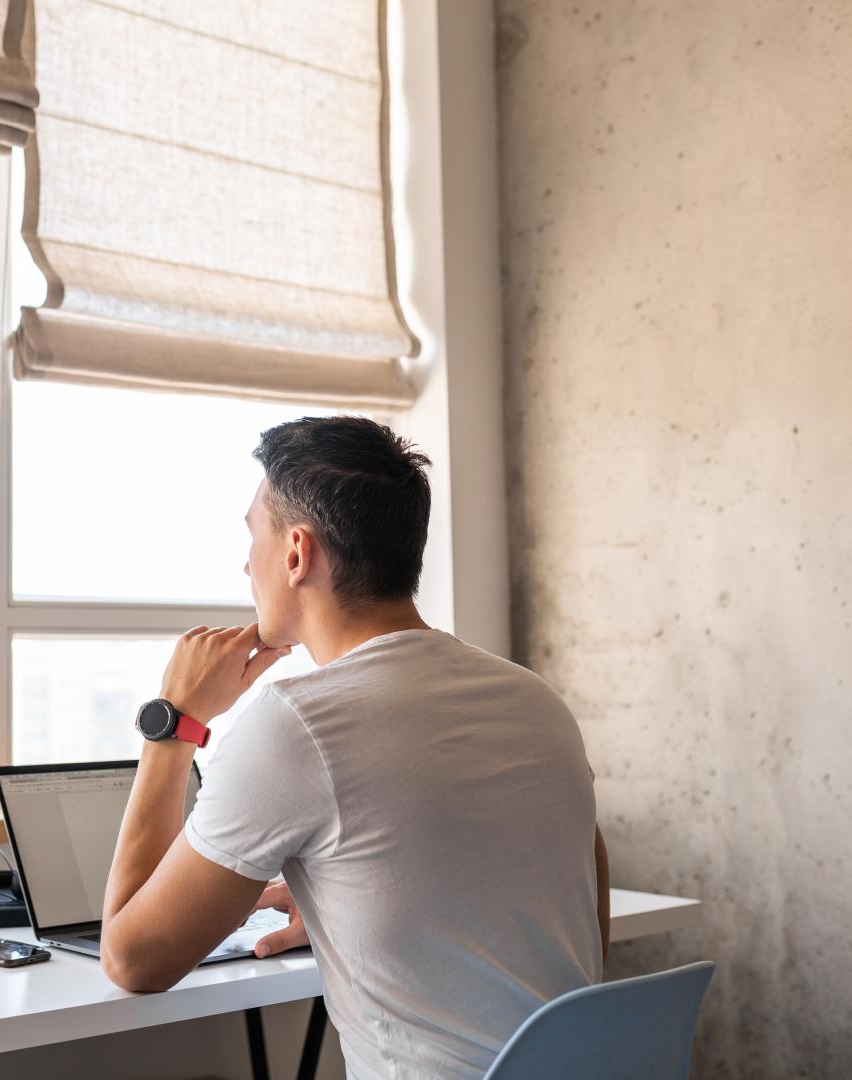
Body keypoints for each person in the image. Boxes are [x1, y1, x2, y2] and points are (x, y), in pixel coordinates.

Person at [100, 416, 608, 1079]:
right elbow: (580, 922)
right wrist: (366, 913)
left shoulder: (296, 726)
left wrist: (176, 725)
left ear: (296, 554)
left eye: (252, 536)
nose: (243, 563)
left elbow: (134, 961)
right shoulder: (535, 700)